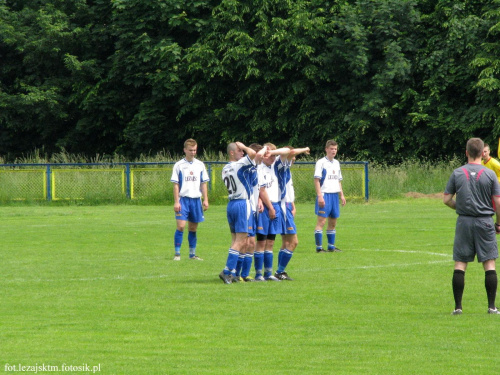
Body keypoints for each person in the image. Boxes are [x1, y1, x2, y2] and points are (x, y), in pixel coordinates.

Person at [444, 137, 500, 315]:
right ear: (482, 153)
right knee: (489, 263)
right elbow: (498, 202)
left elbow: (446, 199)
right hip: (485, 221)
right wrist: (498, 223)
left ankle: (458, 307)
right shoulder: (490, 174)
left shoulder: (457, 173)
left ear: (467, 152)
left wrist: (459, 207)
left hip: (464, 222)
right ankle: (491, 307)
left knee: (460, 264)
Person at [219, 142, 267, 284]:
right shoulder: (238, 165)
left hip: (231, 204)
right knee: (241, 240)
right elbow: (255, 154)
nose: (243, 153)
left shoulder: (225, 168)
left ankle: (233, 273)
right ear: (232, 153)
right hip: (242, 203)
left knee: (235, 240)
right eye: (240, 151)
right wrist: (247, 146)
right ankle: (227, 271)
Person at [255, 143, 292, 281]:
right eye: (268, 155)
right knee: (261, 242)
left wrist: (273, 151)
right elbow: (261, 190)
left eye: (274, 155)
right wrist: (270, 207)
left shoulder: (275, 166)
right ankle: (258, 275)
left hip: (275, 205)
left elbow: (288, 150)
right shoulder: (259, 168)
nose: (272, 157)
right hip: (265, 207)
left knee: (270, 242)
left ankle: (268, 274)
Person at [275, 146, 310, 281]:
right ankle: (280, 271)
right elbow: (292, 152)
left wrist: (293, 205)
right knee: (293, 242)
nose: (294, 158)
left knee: (285, 242)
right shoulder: (281, 165)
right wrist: (305, 149)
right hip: (284, 206)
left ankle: (279, 272)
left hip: (287, 206)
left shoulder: (286, 168)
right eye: (292, 156)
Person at [170, 138, 209, 261]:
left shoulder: (200, 165)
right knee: (181, 226)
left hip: (196, 200)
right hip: (183, 200)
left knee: (193, 228)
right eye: (191, 150)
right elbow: (176, 185)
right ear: (185, 150)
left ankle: (192, 254)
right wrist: (176, 201)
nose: (193, 152)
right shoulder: (179, 165)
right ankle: (177, 254)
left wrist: (206, 199)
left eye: (195, 150)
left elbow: (203, 183)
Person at [314, 140, 346, 253]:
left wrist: (341, 195)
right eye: (331, 149)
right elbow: (316, 180)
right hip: (324, 195)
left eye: (335, 149)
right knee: (321, 222)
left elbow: (338, 180)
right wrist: (320, 196)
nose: (333, 151)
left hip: (334, 196)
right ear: (326, 149)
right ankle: (319, 248)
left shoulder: (337, 163)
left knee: (333, 222)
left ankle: (331, 247)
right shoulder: (321, 162)